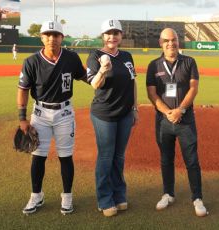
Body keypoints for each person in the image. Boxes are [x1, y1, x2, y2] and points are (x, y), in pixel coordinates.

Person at [17, 21, 87, 215]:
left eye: (56, 35)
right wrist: (23, 119)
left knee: (65, 156)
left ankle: (67, 197)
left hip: (64, 113)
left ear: (62, 38)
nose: (51, 39)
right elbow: (22, 90)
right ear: (41, 38)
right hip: (40, 114)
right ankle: (36, 195)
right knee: (38, 157)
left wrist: (103, 76)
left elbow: (86, 77)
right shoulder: (31, 61)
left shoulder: (71, 58)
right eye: (47, 35)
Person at [146, 28, 208, 217]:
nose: (170, 43)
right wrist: (167, 112)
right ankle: (168, 193)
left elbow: (193, 89)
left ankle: (197, 198)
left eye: (173, 40)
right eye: (166, 40)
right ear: (160, 43)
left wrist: (180, 110)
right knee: (166, 159)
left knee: (192, 160)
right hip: (163, 121)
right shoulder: (153, 65)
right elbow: (152, 93)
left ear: (178, 41)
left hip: (185, 119)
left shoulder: (189, 62)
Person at [86, 19, 138, 217]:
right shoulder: (96, 55)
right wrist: (102, 69)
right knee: (106, 156)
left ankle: (119, 194)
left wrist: (135, 108)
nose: (112, 36)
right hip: (104, 114)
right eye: (108, 33)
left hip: (125, 113)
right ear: (103, 36)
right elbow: (94, 84)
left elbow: (133, 83)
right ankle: (104, 199)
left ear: (121, 36)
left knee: (119, 156)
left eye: (116, 33)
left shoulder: (127, 56)